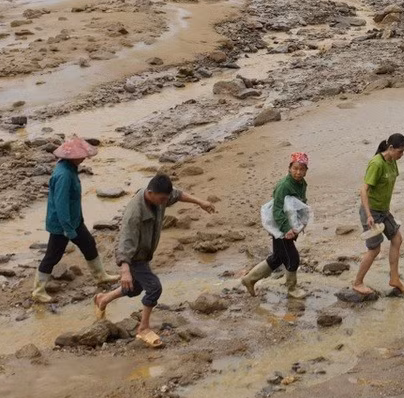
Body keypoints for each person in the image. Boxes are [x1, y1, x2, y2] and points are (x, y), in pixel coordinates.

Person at [96, 173, 216, 347]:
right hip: (133, 255)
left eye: (165, 199)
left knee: (135, 288)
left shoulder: (160, 197)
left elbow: (178, 194)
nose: (163, 203)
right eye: (161, 199)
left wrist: (201, 202)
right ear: (150, 192)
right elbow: (125, 243)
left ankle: (103, 299)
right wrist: (125, 270)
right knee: (154, 287)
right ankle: (143, 328)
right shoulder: (134, 213)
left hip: (144, 252)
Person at [34, 137, 109, 302]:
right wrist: (68, 230)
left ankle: (101, 276)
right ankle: (38, 290)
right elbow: (61, 205)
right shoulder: (65, 175)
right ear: (73, 157)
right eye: (82, 156)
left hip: (75, 220)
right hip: (62, 225)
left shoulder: (69, 168)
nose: (84, 158)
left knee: (89, 244)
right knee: (53, 256)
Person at [243, 152, 311, 295]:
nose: (298, 172)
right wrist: (286, 229)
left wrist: (300, 224)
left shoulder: (302, 183)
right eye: (295, 168)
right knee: (293, 258)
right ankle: (292, 288)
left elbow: (300, 204)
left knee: (277, 258)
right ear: (289, 168)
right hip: (280, 226)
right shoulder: (284, 186)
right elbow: (278, 209)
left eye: (301, 169)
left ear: (306, 171)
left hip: (290, 224)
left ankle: (249, 279)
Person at [353, 133, 404, 296]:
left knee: (397, 238)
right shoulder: (376, 163)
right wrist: (369, 215)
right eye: (400, 151)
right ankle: (357, 283)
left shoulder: (392, 162)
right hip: (371, 212)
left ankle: (394, 278)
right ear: (390, 148)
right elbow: (363, 189)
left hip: (384, 211)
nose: (402, 155)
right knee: (374, 249)